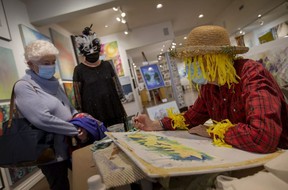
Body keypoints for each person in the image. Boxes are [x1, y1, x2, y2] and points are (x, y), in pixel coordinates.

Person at [133, 25, 288, 154]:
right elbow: (190, 118)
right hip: (240, 156)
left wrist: (212, 131)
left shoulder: (251, 74)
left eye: (197, 59)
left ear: (217, 58)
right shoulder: (209, 86)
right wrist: (154, 124)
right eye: (190, 60)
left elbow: (262, 137)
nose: (192, 66)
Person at [15, 40, 88, 190]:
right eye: (45, 62)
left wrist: (80, 117)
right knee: (60, 185)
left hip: (69, 144)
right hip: (49, 149)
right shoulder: (24, 86)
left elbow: (68, 108)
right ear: (30, 64)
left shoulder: (53, 82)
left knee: (85, 176)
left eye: (53, 62)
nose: (50, 66)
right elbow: (42, 119)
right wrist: (74, 129)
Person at [73, 25, 128, 130]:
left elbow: (116, 83)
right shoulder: (79, 70)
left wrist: (121, 95)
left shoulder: (107, 65)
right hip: (93, 113)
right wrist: (79, 112)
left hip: (113, 108)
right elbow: (77, 95)